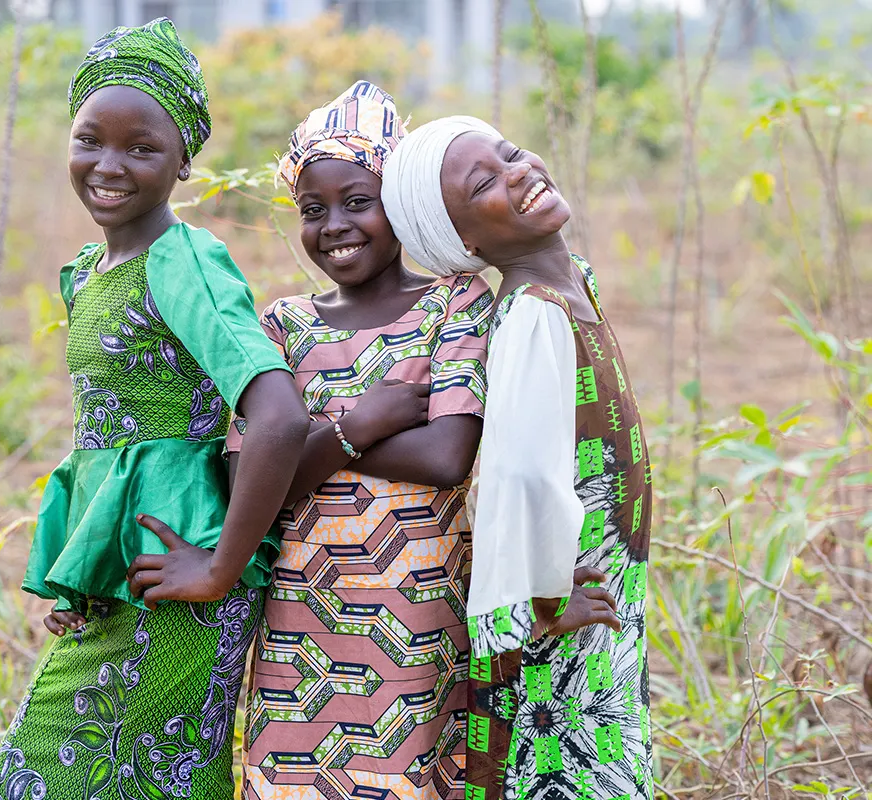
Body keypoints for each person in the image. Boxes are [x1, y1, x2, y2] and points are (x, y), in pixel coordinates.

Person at [0, 18, 308, 800]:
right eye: (90, 138)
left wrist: (221, 567)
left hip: (182, 579)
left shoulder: (182, 259)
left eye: (142, 147)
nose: (109, 165)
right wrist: (80, 577)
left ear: (184, 160)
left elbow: (279, 417)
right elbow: (105, 442)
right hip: (125, 580)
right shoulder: (91, 269)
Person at [229, 82, 495, 800]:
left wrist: (309, 439)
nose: (334, 225)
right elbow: (245, 482)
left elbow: (447, 458)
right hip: (298, 624)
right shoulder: (282, 325)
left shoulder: (455, 301)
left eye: (358, 201)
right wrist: (366, 421)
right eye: (312, 211)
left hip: (418, 620)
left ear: (401, 205)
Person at [382, 116, 651, 800]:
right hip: (559, 604)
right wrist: (542, 601)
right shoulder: (535, 313)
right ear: (465, 242)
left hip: (595, 588)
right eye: (485, 183)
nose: (518, 170)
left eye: (508, 153)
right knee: (568, 769)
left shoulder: (572, 283)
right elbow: (519, 474)